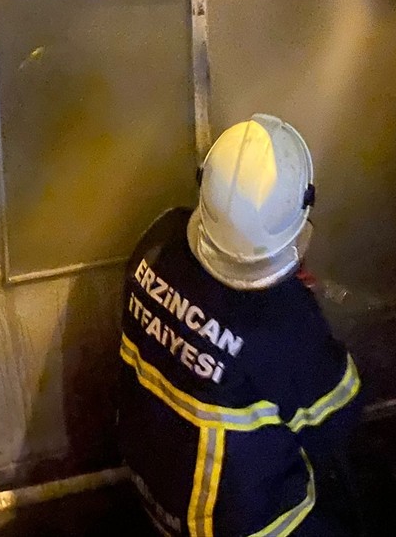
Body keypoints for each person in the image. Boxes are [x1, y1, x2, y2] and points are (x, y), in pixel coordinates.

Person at [117, 114, 362, 537]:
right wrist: (311, 323)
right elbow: (339, 413)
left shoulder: (158, 239)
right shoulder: (283, 323)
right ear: (302, 208)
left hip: (152, 494)